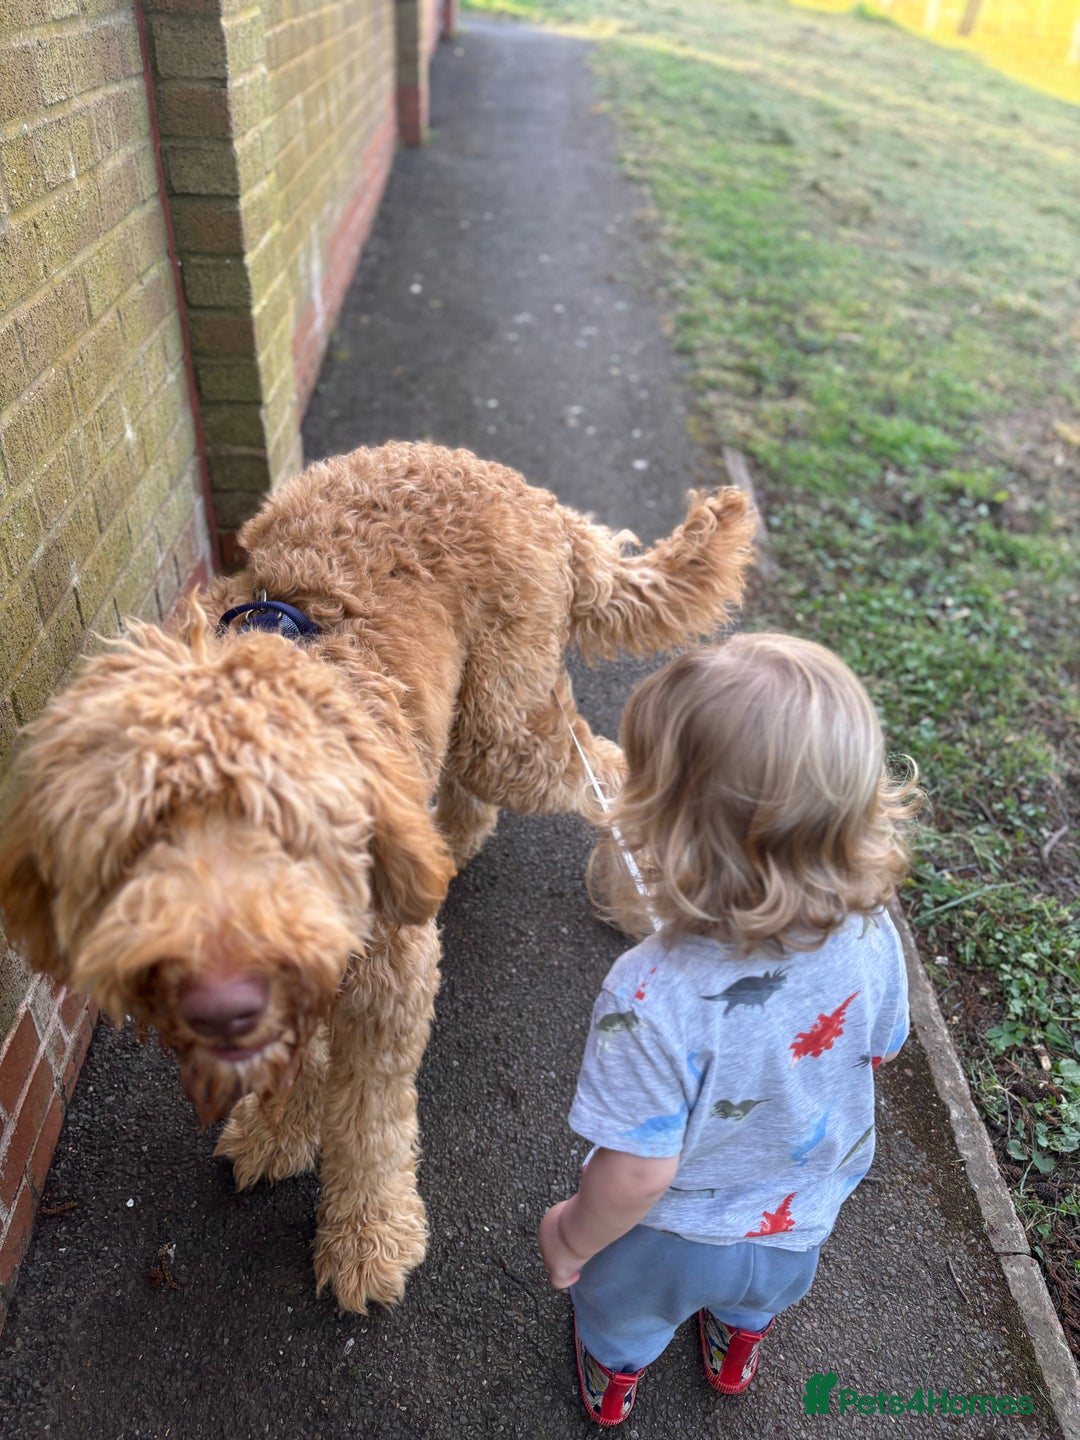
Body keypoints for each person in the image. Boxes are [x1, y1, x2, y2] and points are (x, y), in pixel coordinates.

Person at [538, 633, 923, 1426]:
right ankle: (738, 1344)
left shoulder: (650, 991)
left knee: (625, 1314)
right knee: (755, 1299)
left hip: (665, 1237)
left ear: (668, 826)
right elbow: (881, 1045)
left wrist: (574, 1238)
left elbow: (639, 1174)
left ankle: (615, 1377)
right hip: (801, 1218)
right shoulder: (872, 926)